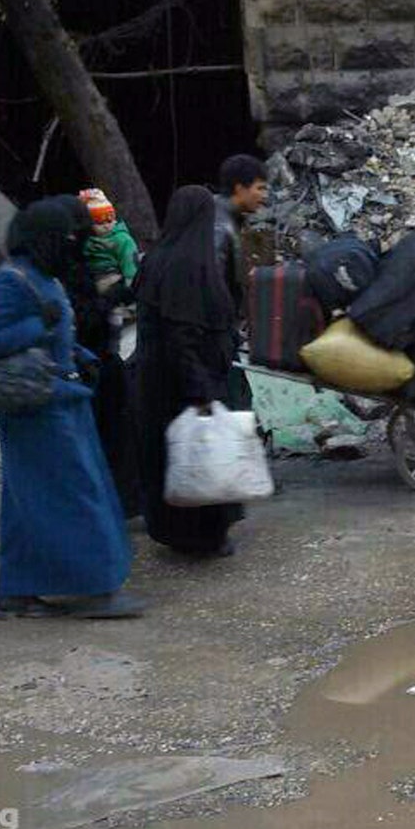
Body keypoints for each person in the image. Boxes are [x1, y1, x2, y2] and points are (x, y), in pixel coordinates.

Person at [0, 200, 140, 619]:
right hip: (36, 408)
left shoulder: (44, 277)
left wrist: (78, 352)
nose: (74, 242)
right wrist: (38, 326)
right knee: (75, 495)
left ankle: (16, 592)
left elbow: (57, 329)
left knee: (32, 500)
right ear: (44, 238)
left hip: (60, 399)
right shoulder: (12, 280)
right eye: (67, 236)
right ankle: (96, 589)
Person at [135, 186, 246, 556]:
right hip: (186, 382)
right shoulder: (191, 267)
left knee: (170, 457)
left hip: (156, 381)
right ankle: (203, 538)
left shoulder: (157, 258)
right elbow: (183, 335)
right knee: (200, 456)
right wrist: (201, 392)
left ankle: (175, 533)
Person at [60, 194, 142, 519]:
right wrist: (109, 300)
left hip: (101, 360)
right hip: (88, 365)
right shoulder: (68, 268)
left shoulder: (83, 258)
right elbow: (83, 317)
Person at [214, 154, 269, 313]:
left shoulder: (230, 217)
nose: (264, 196)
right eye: (260, 188)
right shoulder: (219, 226)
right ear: (240, 189)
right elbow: (212, 281)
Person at [78, 188, 140, 294]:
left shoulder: (122, 239)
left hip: (115, 282)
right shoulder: (84, 239)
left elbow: (130, 266)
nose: (106, 226)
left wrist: (130, 287)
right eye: (99, 222)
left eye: (110, 219)